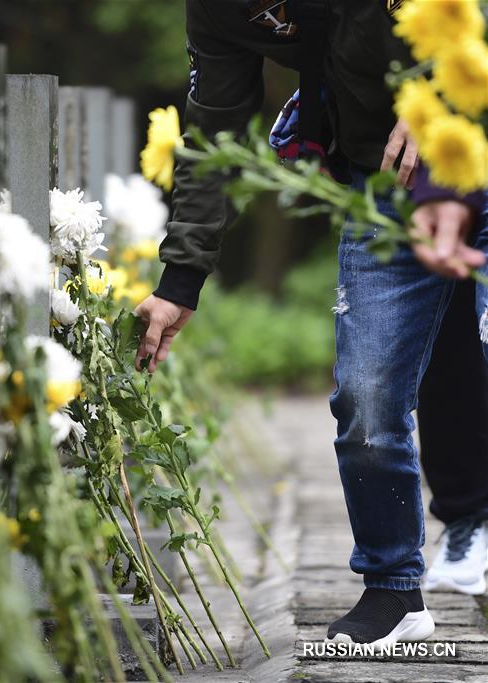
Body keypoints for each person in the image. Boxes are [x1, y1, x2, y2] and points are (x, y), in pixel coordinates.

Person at [134, 0, 488, 646]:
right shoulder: (216, 11)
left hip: (470, 113)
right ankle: (391, 587)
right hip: (388, 177)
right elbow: (214, 133)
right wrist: (178, 282)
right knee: (366, 389)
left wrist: (434, 95)